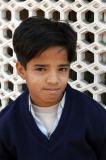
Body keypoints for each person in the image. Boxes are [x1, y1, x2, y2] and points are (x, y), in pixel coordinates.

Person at [0, 16, 106, 160]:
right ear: (21, 70)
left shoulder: (95, 117)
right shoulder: (6, 125)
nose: (53, 80)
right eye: (41, 69)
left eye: (62, 69)